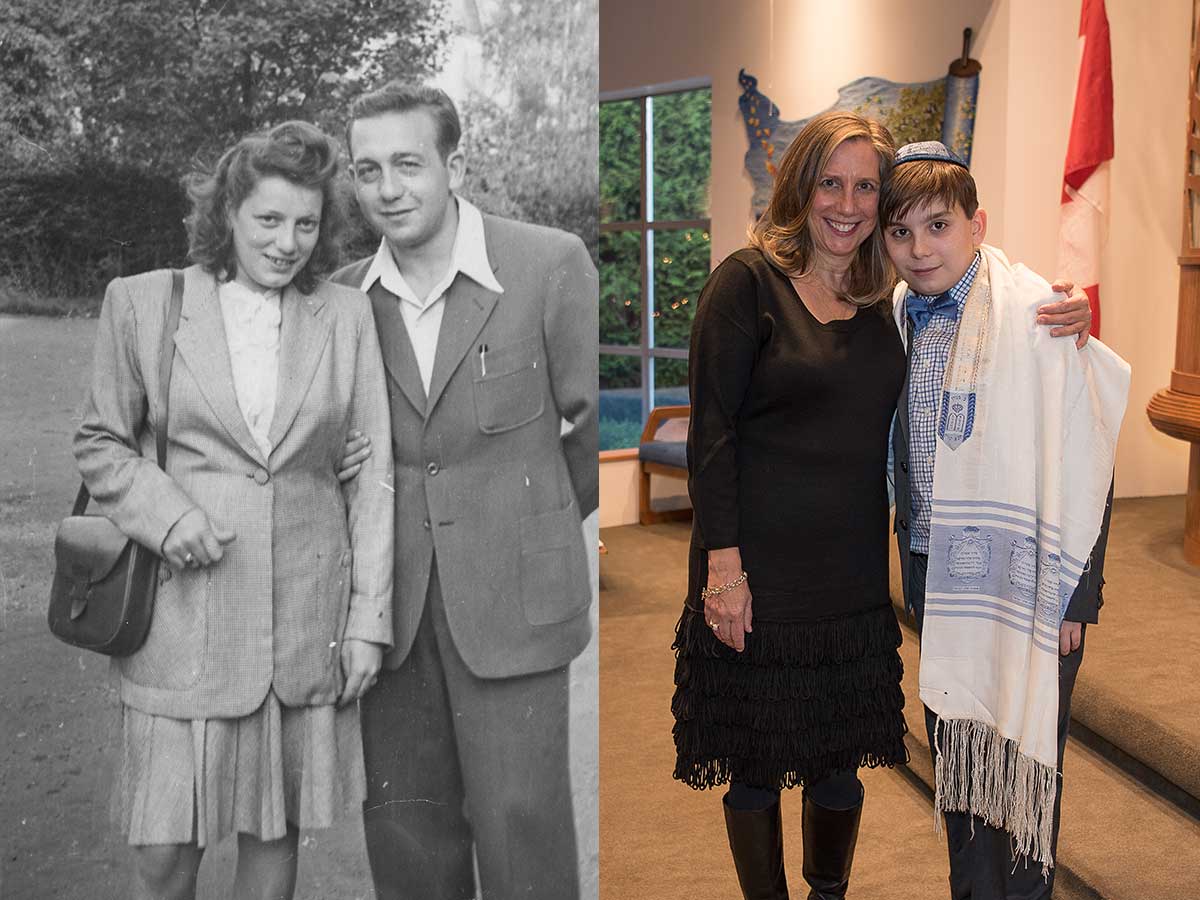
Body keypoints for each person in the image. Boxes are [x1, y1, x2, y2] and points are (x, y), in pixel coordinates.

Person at [670, 112, 1094, 900]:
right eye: (830, 183)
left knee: (838, 764)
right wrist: (723, 569)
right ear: (800, 185)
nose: (847, 203)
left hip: (851, 576)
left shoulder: (882, 298)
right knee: (755, 764)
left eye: (865, 187)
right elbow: (713, 434)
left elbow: (984, 291)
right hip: (756, 570)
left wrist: (1067, 307)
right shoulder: (746, 282)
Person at [74, 121, 394, 900]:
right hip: (183, 622)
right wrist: (167, 514)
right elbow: (100, 440)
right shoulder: (144, 304)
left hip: (300, 624)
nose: (288, 243)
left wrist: (366, 621)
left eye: (307, 224)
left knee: (272, 836)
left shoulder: (346, 316)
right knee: (163, 856)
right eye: (269, 220)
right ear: (227, 213)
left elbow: (373, 475)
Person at [332, 82, 598, 900]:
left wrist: (529, 522)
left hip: (518, 601)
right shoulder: (342, 300)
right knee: (407, 835)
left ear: (454, 166)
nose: (388, 188)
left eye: (408, 164)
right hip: (390, 613)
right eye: (368, 169)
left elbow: (592, 430)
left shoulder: (549, 264)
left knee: (523, 834)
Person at [882, 141, 1125, 899]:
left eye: (939, 226)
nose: (920, 249)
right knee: (959, 758)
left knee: (1023, 764)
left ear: (977, 224)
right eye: (901, 232)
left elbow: (1088, 457)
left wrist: (1075, 597)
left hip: (1030, 585)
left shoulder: (1038, 314)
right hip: (938, 575)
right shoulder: (896, 317)